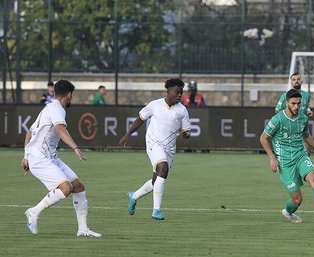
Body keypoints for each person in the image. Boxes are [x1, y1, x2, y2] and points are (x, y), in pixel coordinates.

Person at [21, 80, 101, 237]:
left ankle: (83, 229)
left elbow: (29, 132)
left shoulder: (48, 108)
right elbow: (59, 128)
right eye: (73, 95)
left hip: (47, 157)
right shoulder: (57, 108)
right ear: (69, 94)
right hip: (40, 159)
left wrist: (25, 157)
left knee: (78, 186)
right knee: (66, 188)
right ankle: (33, 212)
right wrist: (75, 148)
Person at [260, 88, 314, 225]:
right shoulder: (278, 119)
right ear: (286, 102)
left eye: (298, 104)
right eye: (293, 103)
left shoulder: (302, 117)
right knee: (297, 200)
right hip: (285, 163)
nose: (296, 107)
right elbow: (263, 138)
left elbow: (306, 135)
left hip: (301, 156)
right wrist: (272, 158)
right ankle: (288, 211)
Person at [119, 78, 191, 220]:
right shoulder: (155, 105)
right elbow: (140, 119)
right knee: (162, 168)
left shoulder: (182, 110)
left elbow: (187, 132)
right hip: (153, 143)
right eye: (177, 92)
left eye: (181, 93)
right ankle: (156, 210)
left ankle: (133, 196)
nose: (179, 95)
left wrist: (185, 134)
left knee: (156, 181)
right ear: (168, 91)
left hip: (169, 149)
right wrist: (128, 134)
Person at [275, 73, 313, 154]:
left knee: (306, 145)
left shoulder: (306, 95)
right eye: (294, 79)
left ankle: (306, 161)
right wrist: (286, 117)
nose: (296, 81)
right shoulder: (285, 96)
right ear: (291, 82)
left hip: (301, 124)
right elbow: (277, 110)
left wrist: (308, 111)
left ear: (301, 81)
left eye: (298, 79)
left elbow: (306, 106)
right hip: (289, 126)